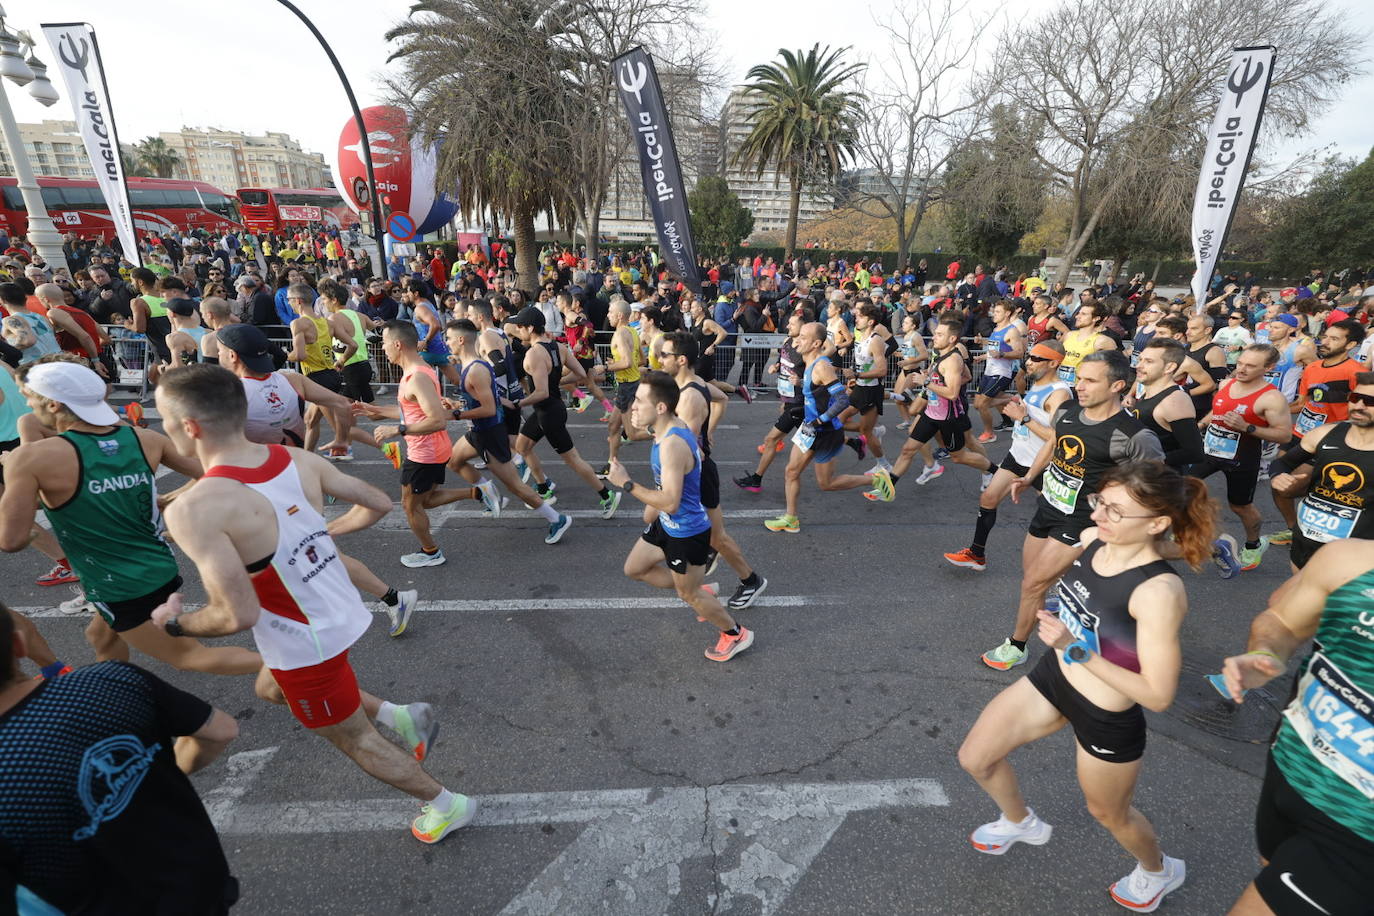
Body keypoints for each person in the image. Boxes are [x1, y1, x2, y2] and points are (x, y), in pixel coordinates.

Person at [151, 364, 477, 844]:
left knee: (351, 738)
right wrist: (319, 534)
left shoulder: (195, 508)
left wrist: (175, 623)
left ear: (190, 427)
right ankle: (398, 715)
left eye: (165, 419)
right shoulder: (293, 460)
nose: (164, 429)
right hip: (334, 609)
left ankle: (447, 805)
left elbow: (234, 615)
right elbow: (378, 502)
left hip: (305, 638)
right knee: (268, 688)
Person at [959, 461, 1215, 913]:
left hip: (1106, 716)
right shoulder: (1095, 540)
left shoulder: (1159, 593)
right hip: (1053, 678)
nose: (1097, 515)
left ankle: (1159, 870)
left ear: (1156, 522)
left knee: (1109, 815)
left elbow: (1157, 695)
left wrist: (1075, 647)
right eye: (1100, 502)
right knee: (975, 758)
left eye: (1114, 510)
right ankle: (1020, 821)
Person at [0, 356, 261, 677]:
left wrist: (19, 483)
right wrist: (169, 498)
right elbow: (214, 472)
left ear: (53, 405)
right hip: (157, 567)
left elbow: (11, 540)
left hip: (121, 586)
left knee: (190, 657)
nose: (26, 403)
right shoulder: (145, 439)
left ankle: (294, 669)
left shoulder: (29, 459)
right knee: (98, 636)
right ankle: (112, 693)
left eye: (30, 397)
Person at [0, 605, 242, 914]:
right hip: (200, 887)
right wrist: (163, 770)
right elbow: (220, 730)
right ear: (19, 645)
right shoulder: (112, 678)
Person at [1219, 537, 1374, 916]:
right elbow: (1282, 620)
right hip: (1292, 766)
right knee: (1273, 868)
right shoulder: (1351, 559)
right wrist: (1265, 651)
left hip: (1360, 825)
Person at [983, 351, 1164, 670]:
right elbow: (1054, 442)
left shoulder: (1132, 436)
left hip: (1082, 519)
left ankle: (1017, 645)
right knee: (1034, 578)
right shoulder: (1067, 410)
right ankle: (1079, 603)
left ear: (1117, 385)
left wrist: (1122, 518)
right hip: (1049, 506)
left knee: (1034, 584)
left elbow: (1154, 485)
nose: (1079, 385)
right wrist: (1028, 477)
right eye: (1079, 377)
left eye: (1090, 380)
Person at [605, 371, 754, 662]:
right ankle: (697, 587)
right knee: (634, 568)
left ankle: (735, 634)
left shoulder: (672, 443)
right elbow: (677, 477)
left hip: (686, 531)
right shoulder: (668, 427)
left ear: (660, 408)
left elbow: (672, 502)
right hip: (666, 522)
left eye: (639, 401)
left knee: (689, 595)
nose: (634, 406)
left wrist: (627, 484)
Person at [355, 320, 485, 567]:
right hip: (430, 450)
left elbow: (437, 420)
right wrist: (375, 410)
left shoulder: (417, 377)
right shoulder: (415, 373)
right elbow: (412, 411)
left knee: (410, 505)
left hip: (425, 453)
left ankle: (430, 552)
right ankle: (478, 492)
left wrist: (398, 430)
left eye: (383, 343)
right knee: (425, 499)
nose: (382, 349)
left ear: (397, 344)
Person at [659, 331, 769, 609]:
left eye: (664, 355)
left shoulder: (690, 398)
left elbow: (685, 450)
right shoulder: (694, 384)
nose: (659, 359)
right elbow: (722, 399)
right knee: (705, 535)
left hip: (698, 474)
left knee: (716, 536)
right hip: (696, 468)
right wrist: (710, 432)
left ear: (681, 360)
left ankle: (750, 580)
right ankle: (699, 572)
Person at [441, 318, 572, 544]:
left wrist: (457, 415)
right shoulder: (472, 365)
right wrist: (457, 405)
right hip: (477, 432)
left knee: (516, 487)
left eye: (449, 339)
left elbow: (489, 408)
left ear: (461, 340)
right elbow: (488, 399)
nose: (447, 343)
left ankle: (556, 519)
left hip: (489, 434)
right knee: (453, 460)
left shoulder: (476, 370)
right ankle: (488, 492)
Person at [944, 341, 1071, 571]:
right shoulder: (1037, 385)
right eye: (1029, 357)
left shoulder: (1059, 394)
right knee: (988, 499)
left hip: (1043, 465)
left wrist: (1024, 418)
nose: (1029, 362)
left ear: (1054, 363)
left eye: (1036, 359)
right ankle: (976, 554)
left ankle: (1068, 573)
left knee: (1056, 519)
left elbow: (1057, 437)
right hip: (1017, 457)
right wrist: (1017, 409)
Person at [763, 322, 889, 533]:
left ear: (815, 343)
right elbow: (820, 373)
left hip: (824, 431)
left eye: (803, 337)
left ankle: (876, 479)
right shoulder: (808, 359)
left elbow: (841, 400)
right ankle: (791, 519)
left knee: (827, 483)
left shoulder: (821, 366)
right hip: (809, 429)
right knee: (791, 472)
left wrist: (820, 421)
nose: (797, 341)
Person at [508, 306, 623, 517]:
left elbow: (541, 392)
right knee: (522, 446)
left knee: (573, 460)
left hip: (549, 413)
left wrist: (517, 403)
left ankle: (607, 495)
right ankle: (543, 488)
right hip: (549, 409)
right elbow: (580, 374)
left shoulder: (534, 354)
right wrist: (557, 382)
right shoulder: (558, 347)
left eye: (520, 326)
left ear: (530, 328)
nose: (517, 329)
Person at [1192, 344, 1292, 573]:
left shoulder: (1272, 398)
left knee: (1240, 506)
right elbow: (1218, 409)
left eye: (1250, 366)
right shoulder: (1227, 383)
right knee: (1179, 486)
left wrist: (1248, 427)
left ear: (1268, 368)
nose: (1242, 369)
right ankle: (1185, 533)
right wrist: (1201, 423)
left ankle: (1253, 545)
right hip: (1210, 450)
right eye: (1240, 363)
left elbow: (1284, 434)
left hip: (1242, 457)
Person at [867, 315, 992, 498]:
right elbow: (967, 377)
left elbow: (952, 393)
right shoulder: (941, 353)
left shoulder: (953, 359)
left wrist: (927, 382)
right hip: (932, 413)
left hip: (950, 417)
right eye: (935, 333)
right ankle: (885, 490)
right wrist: (934, 377)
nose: (934, 337)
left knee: (959, 456)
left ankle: (994, 472)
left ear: (952, 338)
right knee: (907, 449)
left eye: (940, 334)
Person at [1269, 319, 1366, 546]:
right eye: (1325, 336)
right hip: (1299, 433)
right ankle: (1294, 530)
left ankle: (1313, 534)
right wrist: (1270, 410)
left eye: (1334, 339)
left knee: (1292, 487)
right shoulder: (1312, 368)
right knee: (1278, 483)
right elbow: (1305, 403)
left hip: (1328, 440)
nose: (1325, 342)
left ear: (1350, 344)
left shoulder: (1357, 373)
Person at [1267, 371, 1374, 571]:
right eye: (1355, 398)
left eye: (1369, 401)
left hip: (1354, 556)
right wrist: (1277, 477)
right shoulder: (1325, 434)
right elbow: (1282, 464)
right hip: (1305, 542)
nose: (1359, 406)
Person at [735, 308, 811, 492]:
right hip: (788, 400)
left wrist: (801, 381)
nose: (788, 325)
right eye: (789, 322)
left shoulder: (806, 349)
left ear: (803, 327)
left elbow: (817, 375)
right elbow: (785, 364)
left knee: (771, 440)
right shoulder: (786, 342)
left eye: (792, 323)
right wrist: (777, 367)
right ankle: (852, 442)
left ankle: (756, 479)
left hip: (799, 404)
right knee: (821, 438)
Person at [973, 300, 1025, 442]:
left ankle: (989, 433)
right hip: (989, 371)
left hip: (1001, 372)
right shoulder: (996, 330)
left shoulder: (1012, 331)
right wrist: (982, 354)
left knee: (982, 405)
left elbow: (1020, 353)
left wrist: (1002, 354)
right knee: (977, 404)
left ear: (1007, 313)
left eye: (997, 312)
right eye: (993, 311)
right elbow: (994, 349)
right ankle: (1012, 398)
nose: (993, 314)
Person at [1058, 301, 1116, 386]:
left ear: (1095, 318)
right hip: (1061, 385)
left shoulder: (1103, 341)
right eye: (1078, 313)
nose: (1078, 316)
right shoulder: (1069, 335)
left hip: (1083, 388)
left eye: (1084, 314)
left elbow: (1116, 367)